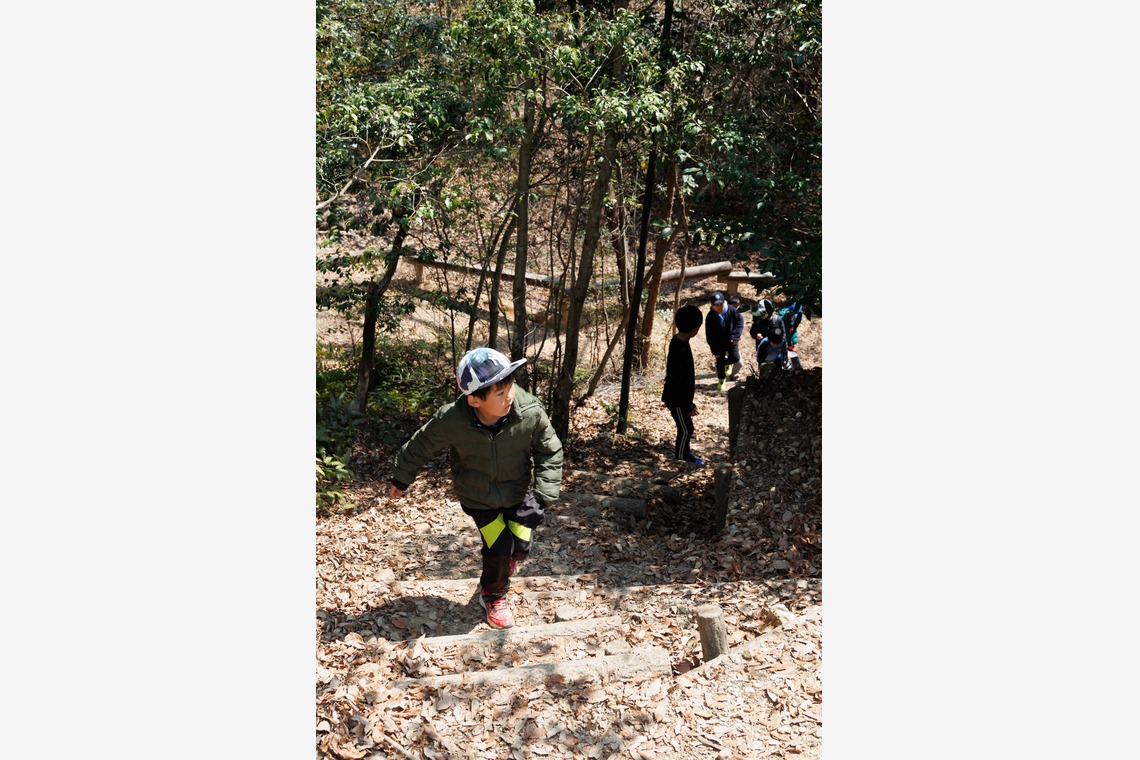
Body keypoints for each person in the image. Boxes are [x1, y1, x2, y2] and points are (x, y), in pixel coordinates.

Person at [388, 347, 564, 629]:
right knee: (498, 549)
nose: (509, 396)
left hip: (517, 493)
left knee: (520, 547)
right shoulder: (452, 420)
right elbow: (420, 445)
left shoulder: (530, 412)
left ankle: (509, 560)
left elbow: (550, 451)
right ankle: (493, 595)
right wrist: (401, 478)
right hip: (478, 497)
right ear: (474, 400)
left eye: (510, 386)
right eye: (500, 393)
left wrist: (542, 497)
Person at [661, 304, 705, 466]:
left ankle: (684, 455)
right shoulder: (679, 349)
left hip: (680, 398)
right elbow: (677, 381)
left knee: (687, 428)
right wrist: (687, 405)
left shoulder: (680, 341)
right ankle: (681, 458)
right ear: (694, 328)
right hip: (677, 400)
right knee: (686, 429)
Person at [704, 291, 744, 391]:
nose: (719, 307)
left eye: (720, 304)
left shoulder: (731, 310)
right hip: (719, 343)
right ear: (711, 305)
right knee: (720, 362)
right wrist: (714, 350)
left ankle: (728, 363)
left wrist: (735, 336)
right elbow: (709, 335)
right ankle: (721, 380)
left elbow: (740, 322)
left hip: (731, 340)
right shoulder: (710, 316)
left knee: (735, 358)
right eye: (716, 305)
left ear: (724, 302)